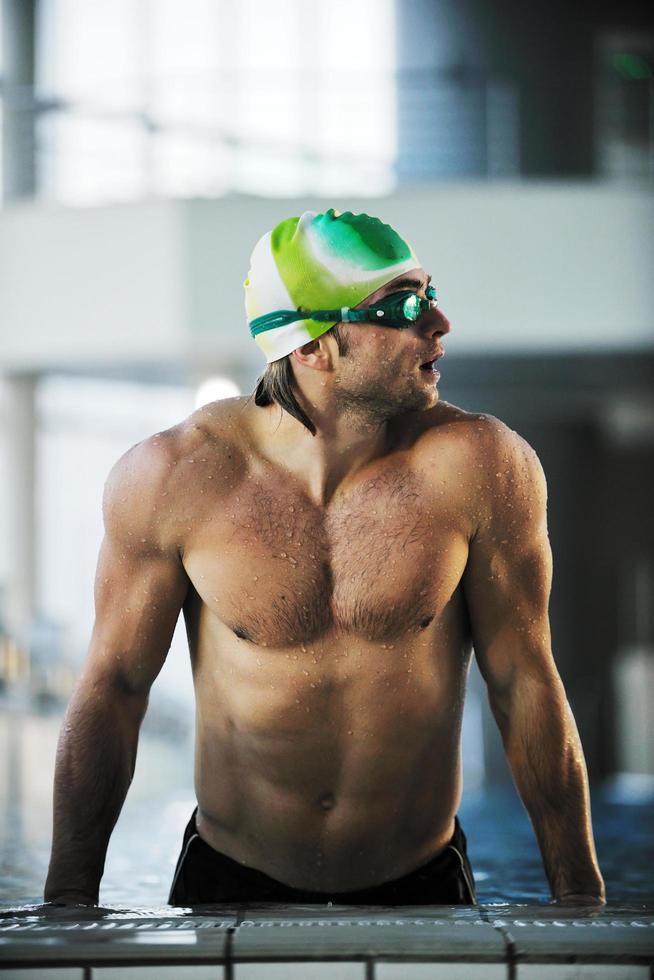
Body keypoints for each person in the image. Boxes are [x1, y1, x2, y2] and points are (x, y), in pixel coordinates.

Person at [44, 208, 605, 908]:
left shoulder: (478, 465)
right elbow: (114, 690)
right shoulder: (176, 476)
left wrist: (581, 899)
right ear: (311, 346)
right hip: (231, 878)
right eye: (401, 307)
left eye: (429, 293)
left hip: (422, 879)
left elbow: (525, 681)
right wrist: (68, 902)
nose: (439, 323)